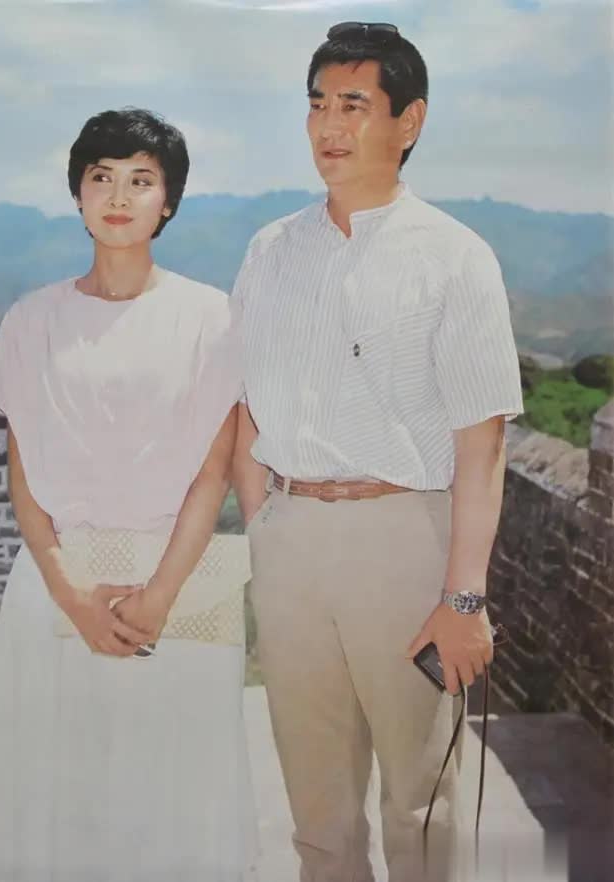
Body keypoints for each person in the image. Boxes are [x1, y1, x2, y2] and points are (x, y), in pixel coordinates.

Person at [231, 22, 524, 882]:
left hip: (404, 541)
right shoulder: (269, 250)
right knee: (316, 812)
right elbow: (245, 405)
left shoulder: (455, 258)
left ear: (409, 120)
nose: (329, 124)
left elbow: (483, 444)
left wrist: (463, 599)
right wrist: (263, 524)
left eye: (353, 104)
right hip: (290, 540)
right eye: (317, 104)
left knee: (419, 805)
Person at [0, 108, 257, 882]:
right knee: (59, 801)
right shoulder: (32, 321)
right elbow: (24, 474)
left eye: (140, 180)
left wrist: (159, 595)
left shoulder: (211, 318)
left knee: (172, 802)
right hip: (54, 586)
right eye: (101, 177)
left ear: (169, 200)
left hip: (177, 586)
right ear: (77, 194)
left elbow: (213, 472)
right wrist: (70, 592)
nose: (118, 196)